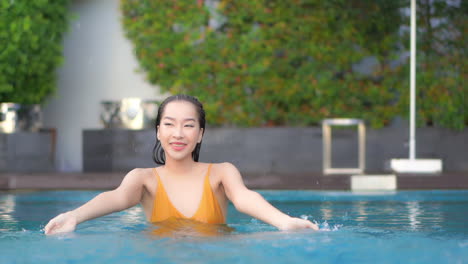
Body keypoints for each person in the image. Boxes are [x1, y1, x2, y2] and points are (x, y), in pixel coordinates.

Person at [44, 94, 318, 235]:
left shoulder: (221, 173)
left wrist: (283, 222)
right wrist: (74, 216)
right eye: (169, 124)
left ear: (199, 134)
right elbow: (115, 197)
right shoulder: (144, 179)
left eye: (188, 125)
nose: (178, 134)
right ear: (158, 131)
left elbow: (245, 198)